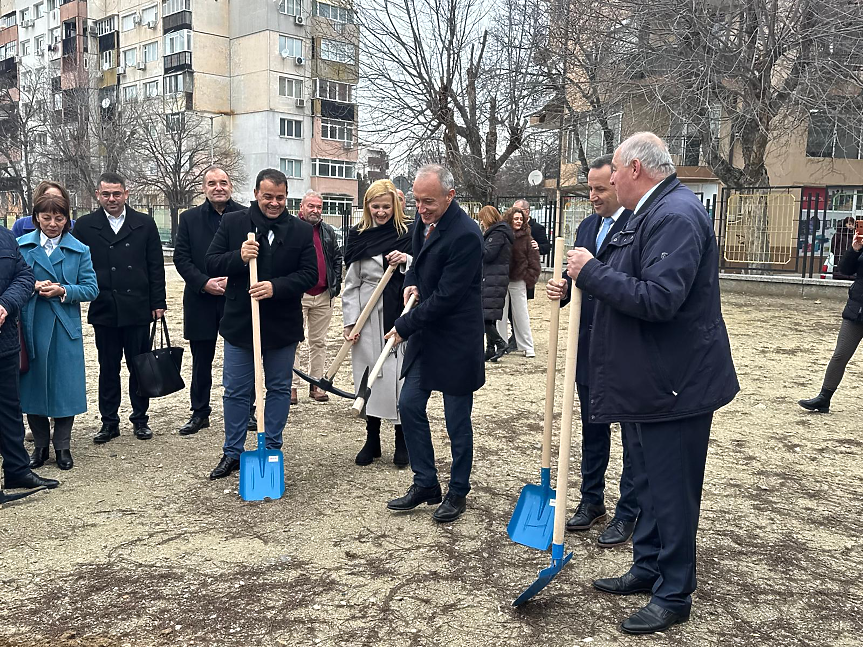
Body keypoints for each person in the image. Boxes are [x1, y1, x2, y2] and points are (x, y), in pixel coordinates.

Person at [549, 133, 738, 634]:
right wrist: (582, 278)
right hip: (649, 381)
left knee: (672, 490)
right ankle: (649, 566)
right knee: (650, 484)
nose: (608, 179)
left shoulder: (674, 215)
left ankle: (674, 592)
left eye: (614, 169)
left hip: (675, 384)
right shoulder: (648, 213)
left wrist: (590, 272)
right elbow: (622, 276)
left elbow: (658, 298)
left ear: (635, 168)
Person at [547, 154, 639, 547]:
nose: (593, 196)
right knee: (592, 425)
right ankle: (591, 500)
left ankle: (629, 512)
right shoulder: (587, 227)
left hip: (624, 346)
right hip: (587, 346)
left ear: (618, 185)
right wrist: (563, 292)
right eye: (590, 189)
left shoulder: (638, 227)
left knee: (634, 434)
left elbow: (631, 287)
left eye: (600, 188)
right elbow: (580, 283)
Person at [385, 164, 484, 523]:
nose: (421, 208)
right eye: (417, 201)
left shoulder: (467, 235)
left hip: (456, 338)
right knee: (409, 405)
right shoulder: (422, 222)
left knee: (457, 421)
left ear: (450, 196)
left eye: (428, 201)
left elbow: (447, 297)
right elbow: (416, 262)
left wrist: (403, 325)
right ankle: (425, 482)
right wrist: (411, 281)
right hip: (427, 334)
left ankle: (458, 489)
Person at [205, 168, 318, 480]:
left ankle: (271, 447)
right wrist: (239, 256)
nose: (274, 203)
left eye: (280, 198)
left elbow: (310, 275)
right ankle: (233, 452)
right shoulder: (233, 223)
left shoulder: (300, 231)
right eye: (268, 196)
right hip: (241, 325)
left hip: (282, 325)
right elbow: (211, 262)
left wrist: (275, 287)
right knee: (236, 391)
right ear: (256, 193)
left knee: (279, 388)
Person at [72, 173, 167, 443]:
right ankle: (109, 422)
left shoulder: (144, 224)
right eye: (106, 194)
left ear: (126, 193)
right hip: (104, 307)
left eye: (116, 194)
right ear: (97, 195)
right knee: (108, 367)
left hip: (137, 307)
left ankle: (140, 419)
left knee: (139, 366)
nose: (111, 199)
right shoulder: (86, 226)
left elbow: (155, 266)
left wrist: (158, 302)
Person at [18, 191, 98, 470]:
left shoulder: (80, 249)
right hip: (31, 324)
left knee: (66, 389)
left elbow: (91, 288)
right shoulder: (21, 247)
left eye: (59, 218)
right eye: (46, 217)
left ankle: (63, 446)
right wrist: (33, 286)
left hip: (65, 327)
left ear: (67, 219)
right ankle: (40, 446)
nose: (53, 223)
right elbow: (11, 282)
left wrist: (64, 289)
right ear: (36, 218)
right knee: (33, 388)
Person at [342, 179, 413, 467]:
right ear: (367, 206)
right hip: (368, 315)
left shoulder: (409, 232)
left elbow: (425, 266)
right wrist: (350, 322)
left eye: (386, 206)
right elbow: (351, 285)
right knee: (369, 374)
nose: (381, 211)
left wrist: (407, 258)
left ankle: (401, 438)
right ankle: (372, 440)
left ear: (395, 206)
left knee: (398, 377)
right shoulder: (359, 236)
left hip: (401, 311)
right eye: (376, 206)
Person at [172, 167, 248, 436]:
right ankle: (200, 412)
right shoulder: (189, 219)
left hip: (236, 297)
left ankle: (247, 409)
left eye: (223, 182)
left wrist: (232, 279)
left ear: (230, 186)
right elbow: (181, 258)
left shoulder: (245, 216)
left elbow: (254, 255)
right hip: (201, 299)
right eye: (212, 183)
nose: (218, 187)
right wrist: (204, 282)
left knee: (242, 358)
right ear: (204, 188)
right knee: (201, 360)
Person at [0, 224, 59, 493]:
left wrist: (5, 305)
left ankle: (17, 471)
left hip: (5, 342)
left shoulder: (5, 236)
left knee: (10, 410)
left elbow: (24, 277)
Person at [798, 228, 863, 413]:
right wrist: (855, 249)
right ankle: (824, 398)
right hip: (856, 309)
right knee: (840, 354)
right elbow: (845, 269)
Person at [294, 189, 343, 405]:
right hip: (298, 294)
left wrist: (336, 283)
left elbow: (337, 258)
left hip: (324, 295)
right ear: (301, 208)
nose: (315, 210)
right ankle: (291, 386)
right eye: (311, 206)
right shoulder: (291, 229)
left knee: (319, 342)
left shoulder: (328, 231)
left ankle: (316, 384)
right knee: (293, 341)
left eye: (319, 207)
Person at [496, 207, 540, 358]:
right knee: (500, 314)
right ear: (509, 219)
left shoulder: (527, 238)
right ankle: (499, 344)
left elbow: (534, 259)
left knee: (521, 314)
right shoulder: (501, 235)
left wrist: (529, 277)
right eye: (516, 218)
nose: (519, 221)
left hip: (518, 279)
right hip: (501, 279)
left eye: (521, 219)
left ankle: (527, 347)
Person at [477, 205, 513, 362]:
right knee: (488, 316)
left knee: (483, 316)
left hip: (493, 278)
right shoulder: (501, 233)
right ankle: (490, 349)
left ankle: (500, 343)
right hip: (496, 277)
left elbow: (488, 254)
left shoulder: (496, 234)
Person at [10, 181, 75, 238]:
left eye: (58, 198)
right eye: (47, 197)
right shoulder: (21, 225)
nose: (52, 201)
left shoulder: (75, 227)